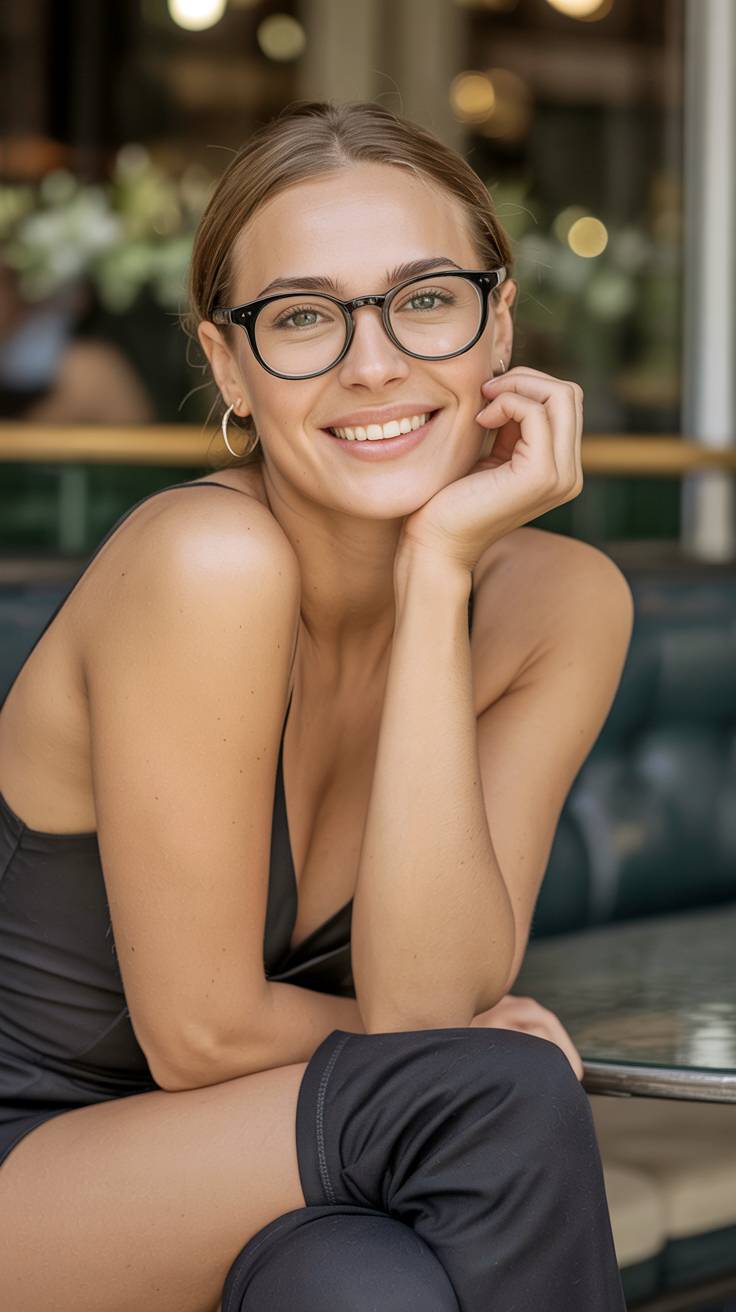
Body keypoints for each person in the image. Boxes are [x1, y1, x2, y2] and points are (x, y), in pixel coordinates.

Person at [0, 100, 633, 1311]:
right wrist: (466, 1055)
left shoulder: (561, 605)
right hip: (41, 1162)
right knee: (495, 1092)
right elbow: (200, 1037)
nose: (374, 361)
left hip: (275, 1149)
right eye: (300, 318)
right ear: (229, 364)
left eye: (426, 298)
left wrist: (439, 569)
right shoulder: (206, 560)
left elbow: (424, 1001)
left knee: (362, 1284)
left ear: (497, 324)